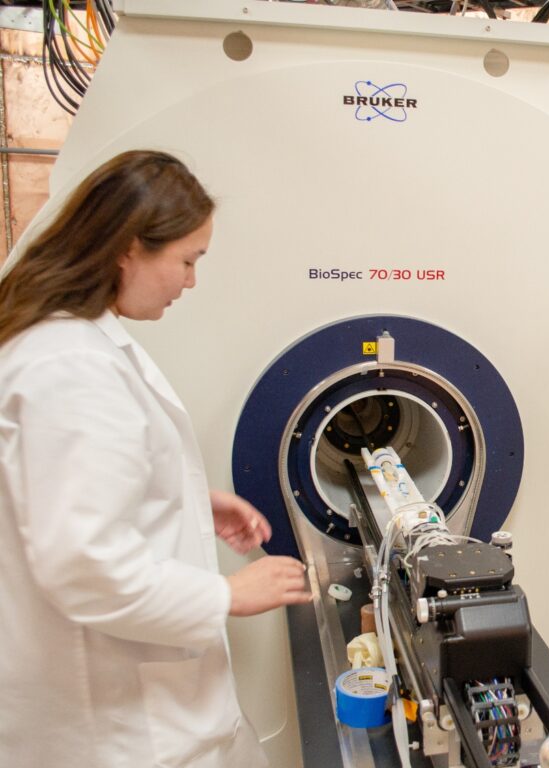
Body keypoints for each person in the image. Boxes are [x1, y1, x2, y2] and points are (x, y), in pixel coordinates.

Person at [0, 150, 313, 767]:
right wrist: (227, 595)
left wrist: (185, 497)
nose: (190, 282)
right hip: (116, 728)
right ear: (127, 248)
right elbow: (84, 562)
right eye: (187, 261)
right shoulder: (71, 366)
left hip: (144, 714)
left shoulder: (72, 343)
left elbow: (59, 495)